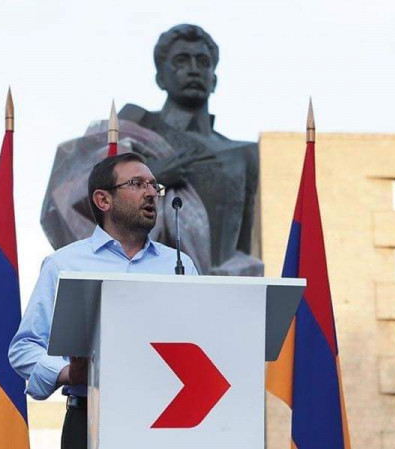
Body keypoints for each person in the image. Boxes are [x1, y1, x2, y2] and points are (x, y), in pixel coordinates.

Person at [9, 152, 198, 449]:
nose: (150, 193)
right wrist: (68, 373)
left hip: (166, 419)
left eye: (154, 185)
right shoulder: (64, 264)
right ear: (103, 200)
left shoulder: (179, 264)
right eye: (137, 184)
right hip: (89, 418)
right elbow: (24, 348)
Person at [41, 24, 263, 276]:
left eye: (203, 61)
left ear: (214, 79)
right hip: (139, 277)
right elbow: (69, 195)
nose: (193, 69)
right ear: (160, 78)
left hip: (221, 286)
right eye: (181, 60)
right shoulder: (136, 126)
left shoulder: (242, 154)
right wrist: (153, 177)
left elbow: (242, 244)